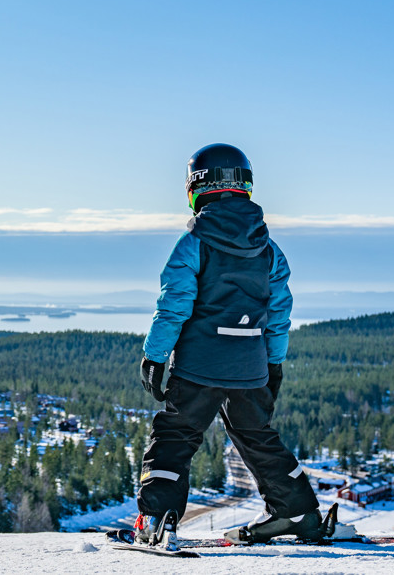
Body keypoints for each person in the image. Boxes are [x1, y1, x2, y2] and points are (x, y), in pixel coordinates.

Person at [134, 143, 324, 549]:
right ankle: (299, 511)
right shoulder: (268, 249)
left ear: (196, 188)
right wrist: (273, 364)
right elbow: (279, 312)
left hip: (199, 366)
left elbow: (174, 306)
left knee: (176, 434)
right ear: (245, 185)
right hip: (250, 366)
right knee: (256, 435)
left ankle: (157, 520)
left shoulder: (194, 243)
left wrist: (154, 356)